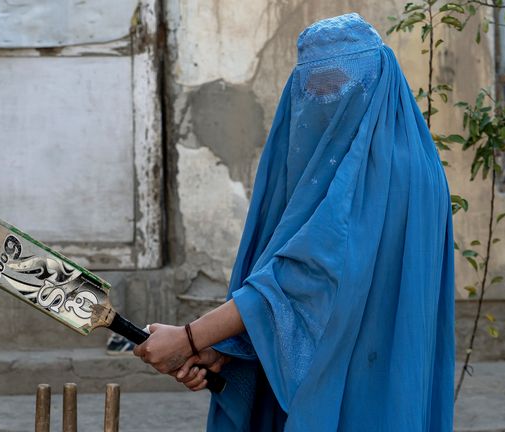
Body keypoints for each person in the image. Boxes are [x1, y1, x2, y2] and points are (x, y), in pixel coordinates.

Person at [133, 13, 455, 431]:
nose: (325, 103)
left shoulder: (397, 171)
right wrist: (230, 351)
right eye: (313, 91)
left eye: (336, 86)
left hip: (370, 382)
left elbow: (308, 276)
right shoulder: (333, 170)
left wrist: (193, 338)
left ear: (374, 85)